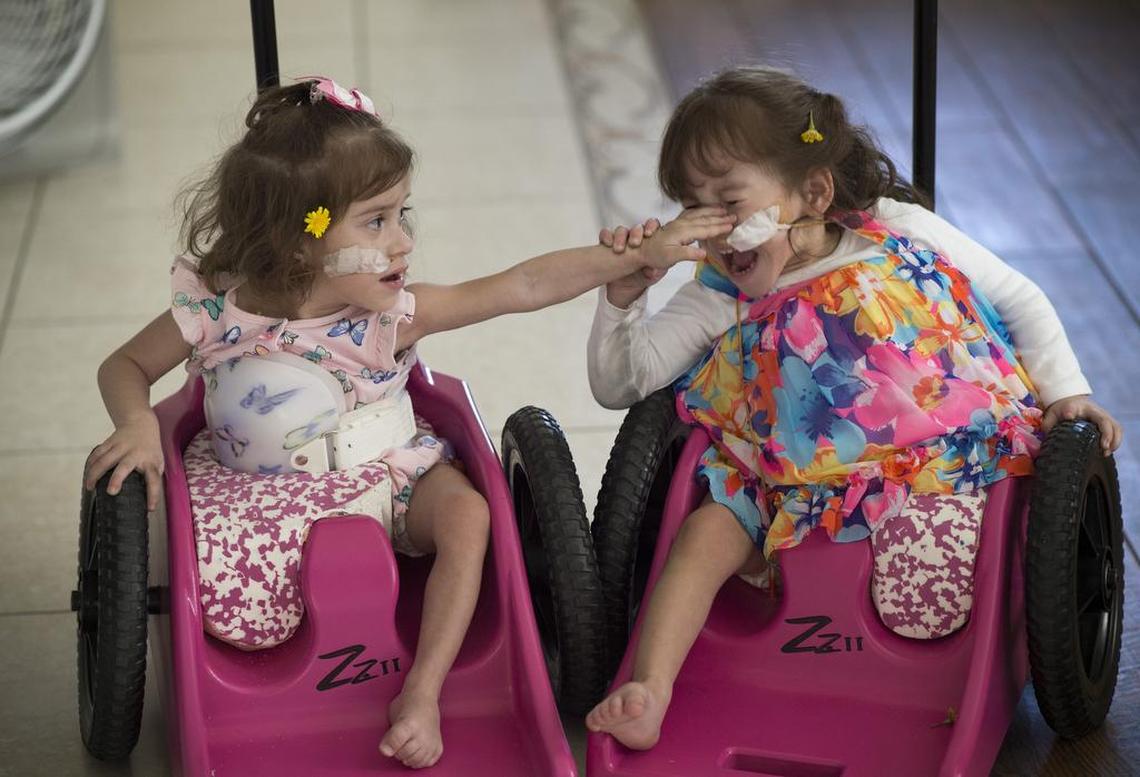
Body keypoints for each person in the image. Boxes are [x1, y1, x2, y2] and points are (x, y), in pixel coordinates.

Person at [81, 77, 734, 769]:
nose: (402, 243)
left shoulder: (392, 316)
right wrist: (137, 422)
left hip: (390, 477)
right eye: (376, 221)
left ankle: (421, 692)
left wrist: (638, 255)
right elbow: (124, 364)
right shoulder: (216, 309)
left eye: (403, 214)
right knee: (244, 614)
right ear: (297, 238)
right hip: (256, 502)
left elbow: (523, 285)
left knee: (471, 517)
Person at [584, 65, 1123, 750]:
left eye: (730, 200)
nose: (717, 229)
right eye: (697, 207)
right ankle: (651, 687)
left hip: (932, 457)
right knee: (703, 534)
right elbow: (624, 381)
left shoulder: (893, 229)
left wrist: (1066, 391)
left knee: (930, 581)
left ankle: (964, 636)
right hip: (780, 481)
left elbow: (1017, 296)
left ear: (812, 190)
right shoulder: (722, 288)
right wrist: (622, 299)